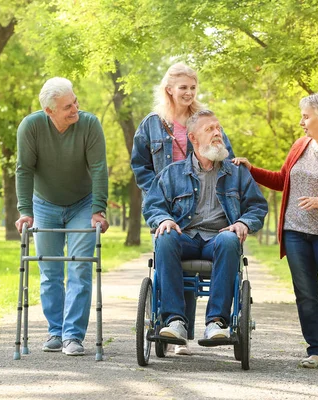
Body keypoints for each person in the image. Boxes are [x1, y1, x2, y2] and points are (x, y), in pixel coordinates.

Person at [233, 92, 318, 371]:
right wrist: (251, 169)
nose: (301, 122)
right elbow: (283, 180)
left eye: (306, 116)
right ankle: (316, 350)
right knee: (305, 294)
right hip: (294, 232)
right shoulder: (299, 145)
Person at [130, 62, 235, 355]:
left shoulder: (203, 121)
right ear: (169, 89)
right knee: (169, 253)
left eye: (192, 87)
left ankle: (184, 330)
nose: (188, 93)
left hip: (200, 204)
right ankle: (173, 324)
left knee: (194, 255)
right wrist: (160, 196)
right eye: (183, 88)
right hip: (166, 203)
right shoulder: (151, 123)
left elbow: (226, 156)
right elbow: (140, 165)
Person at [143, 109, 268, 345]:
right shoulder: (173, 173)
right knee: (165, 237)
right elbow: (152, 206)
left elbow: (257, 207)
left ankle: (216, 322)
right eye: (209, 129)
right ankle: (174, 321)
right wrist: (163, 219)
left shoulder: (237, 173)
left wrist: (243, 222)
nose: (216, 133)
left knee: (230, 240)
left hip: (219, 239)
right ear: (193, 138)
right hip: (185, 237)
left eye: (218, 128)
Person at [15, 77, 109, 357]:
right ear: (49, 111)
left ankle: (72, 336)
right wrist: (25, 212)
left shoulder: (89, 124)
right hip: (44, 204)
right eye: (68, 106)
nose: (75, 108)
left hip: (83, 204)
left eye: (75, 101)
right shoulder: (31, 126)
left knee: (80, 267)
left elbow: (99, 167)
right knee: (50, 271)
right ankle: (55, 331)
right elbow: (24, 170)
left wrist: (98, 209)